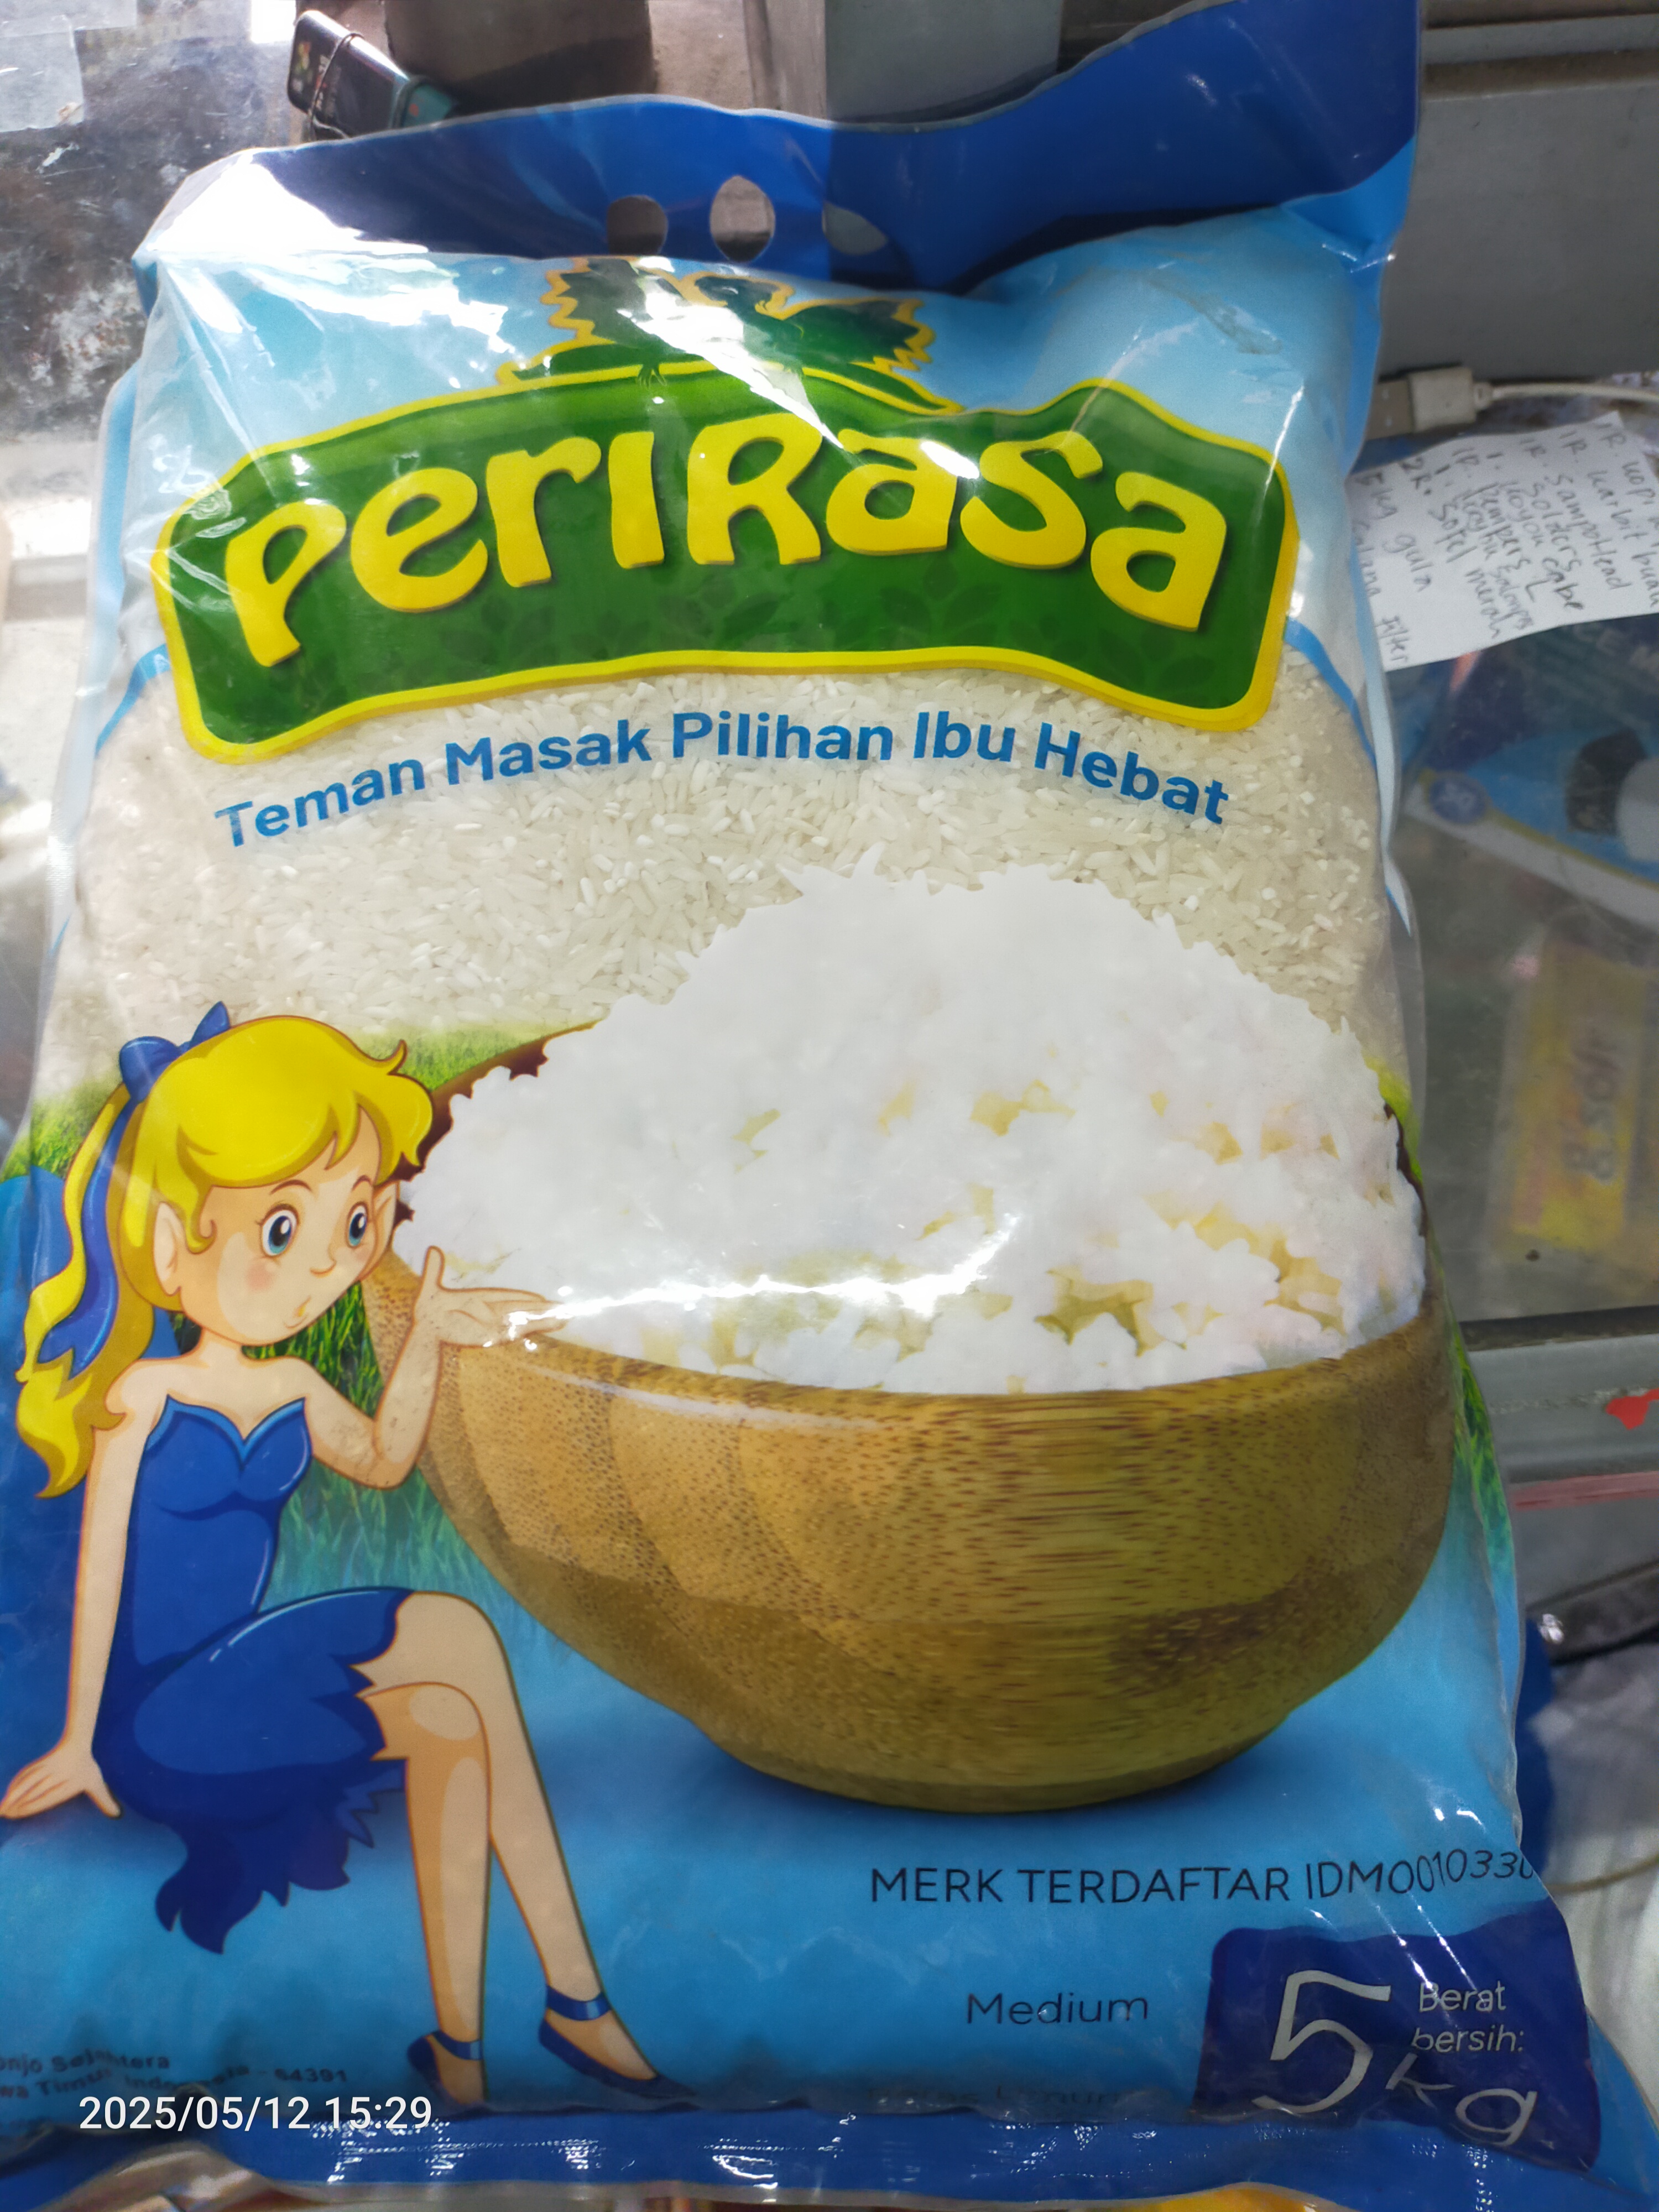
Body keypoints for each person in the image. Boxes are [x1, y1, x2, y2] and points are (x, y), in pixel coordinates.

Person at [0, 1006, 671, 2110]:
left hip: (237, 1669)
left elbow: (385, 1461)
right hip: (158, 1719)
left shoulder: (294, 1388)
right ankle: (522, 2024)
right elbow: (102, 1566)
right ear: (171, 1246)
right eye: (281, 1229)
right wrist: (79, 1741)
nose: (326, 1258)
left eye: (356, 1220)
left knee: (456, 1661)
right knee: (448, 1689)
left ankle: (529, 2019)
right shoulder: (145, 1395)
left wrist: (428, 1336)